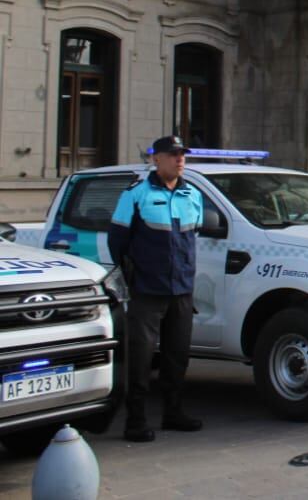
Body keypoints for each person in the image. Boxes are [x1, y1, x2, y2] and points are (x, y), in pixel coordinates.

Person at [108, 135, 204, 443]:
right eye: (173, 154)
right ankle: (135, 421)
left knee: (177, 357)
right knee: (141, 359)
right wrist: (133, 277)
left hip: (181, 291)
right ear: (156, 159)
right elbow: (117, 242)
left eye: (182, 155)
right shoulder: (136, 195)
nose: (179, 159)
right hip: (148, 291)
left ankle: (173, 413)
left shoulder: (192, 195)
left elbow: (191, 239)